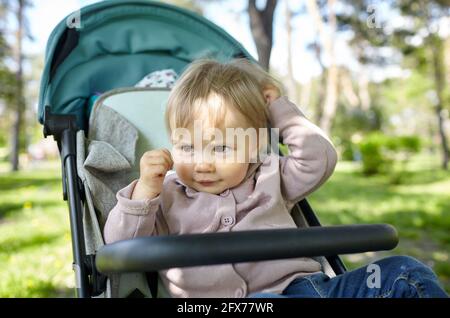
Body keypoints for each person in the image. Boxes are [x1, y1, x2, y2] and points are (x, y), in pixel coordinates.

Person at [103, 59, 447, 298]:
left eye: (222, 148)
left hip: (311, 288)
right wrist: (143, 192)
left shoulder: (270, 174)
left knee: (406, 274)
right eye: (187, 147)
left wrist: (279, 108)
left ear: (254, 145)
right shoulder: (165, 194)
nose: (202, 164)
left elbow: (320, 158)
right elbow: (120, 244)